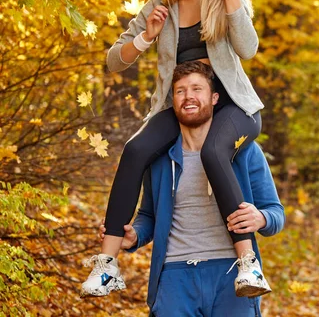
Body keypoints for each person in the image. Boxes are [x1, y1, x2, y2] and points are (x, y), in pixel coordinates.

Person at [81, 0, 267, 297]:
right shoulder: (161, 3)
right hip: (179, 105)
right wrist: (146, 36)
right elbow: (114, 61)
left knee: (215, 152)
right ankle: (106, 266)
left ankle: (248, 266)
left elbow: (248, 49)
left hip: (232, 106)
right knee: (134, 151)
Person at [99, 61, 284, 316]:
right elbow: (149, 215)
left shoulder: (245, 152)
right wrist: (135, 236)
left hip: (232, 275)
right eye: (180, 91)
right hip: (174, 277)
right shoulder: (160, 159)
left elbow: (276, 212)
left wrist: (261, 218)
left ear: (215, 97)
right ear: (172, 101)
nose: (189, 97)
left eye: (197, 89)